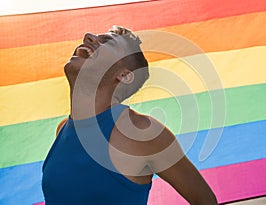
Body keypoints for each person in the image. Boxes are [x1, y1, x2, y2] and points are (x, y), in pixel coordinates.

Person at [42, 25, 218, 205]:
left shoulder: (144, 133)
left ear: (124, 75)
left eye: (107, 42)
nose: (88, 37)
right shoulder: (63, 129)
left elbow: (204, 200)